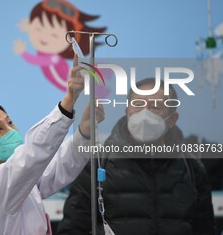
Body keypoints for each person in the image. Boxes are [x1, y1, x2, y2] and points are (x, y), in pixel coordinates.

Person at [0, 55, 105, 235]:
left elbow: (58, 166)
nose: (11, 131)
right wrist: (68, 102)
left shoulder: (19, 176)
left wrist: (84, 132)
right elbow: (31, 156)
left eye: (9, 122)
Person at [58, 77, 216, 235]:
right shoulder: (98, 165)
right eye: (138, 104)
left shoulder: (192, 170)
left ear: (172, 119)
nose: (144, 113)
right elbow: (72, 229)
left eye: (155, 106)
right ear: (127, 112)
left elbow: (205, 230)